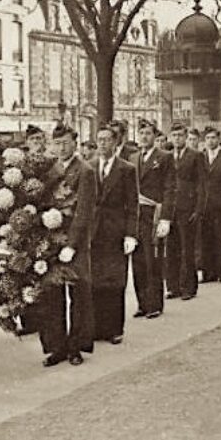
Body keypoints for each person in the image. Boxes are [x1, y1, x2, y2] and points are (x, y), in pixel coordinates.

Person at [38, 124, 97, 367]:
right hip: (51, 239)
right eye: (56, 143)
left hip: (75, 242)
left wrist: (72, 244)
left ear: (75, 143)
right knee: (53, 295)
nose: (60, 148)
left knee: (78, 293)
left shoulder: (85, 171)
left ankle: (75, 347)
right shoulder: (49, 169)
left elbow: (84, 211)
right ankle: (57, 346)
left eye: (65, 143)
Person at [89, 125, 138, 345]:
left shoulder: (126, 169)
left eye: (107, 140)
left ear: (116, 143)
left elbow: (132, 204)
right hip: (94, 232)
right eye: (99, 140)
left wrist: (130, 234)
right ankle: (97, 327)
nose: (102, 144)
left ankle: (114, 329)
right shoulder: (89, 167)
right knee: (95, 279)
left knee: (115, 280)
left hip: (116, 231)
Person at [129, 119, 174, 319]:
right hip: (136, 214)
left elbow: (170, 188)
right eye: (141, 134)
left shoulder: (164, 157)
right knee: (137, 260)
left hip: (154, 214)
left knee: (153, 259)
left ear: (155, 136)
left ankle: (155, 303)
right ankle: (142, 303)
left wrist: (166, 218)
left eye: (148, 133)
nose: (144, 137)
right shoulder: (133, 157)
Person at [165, 123, 205, 301]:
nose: (177, 139)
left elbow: (202, 184)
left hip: (187, 206)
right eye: (174, 135)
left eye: (180, 135)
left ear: (186, 137)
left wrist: (197, 208)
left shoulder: (195, 156)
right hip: (170, 208)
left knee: (186, 248)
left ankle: (189, 286)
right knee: (171, 248)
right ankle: (173, 286)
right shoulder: (166, 156)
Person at [200, 127, 221, 284]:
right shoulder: (201, 157)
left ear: (219, 139)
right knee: (205, 238)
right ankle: (208, 273)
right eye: (207, 138)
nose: (210, 141)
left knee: (219, 238)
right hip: (204, 204)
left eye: (213, 138)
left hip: (220, 204)